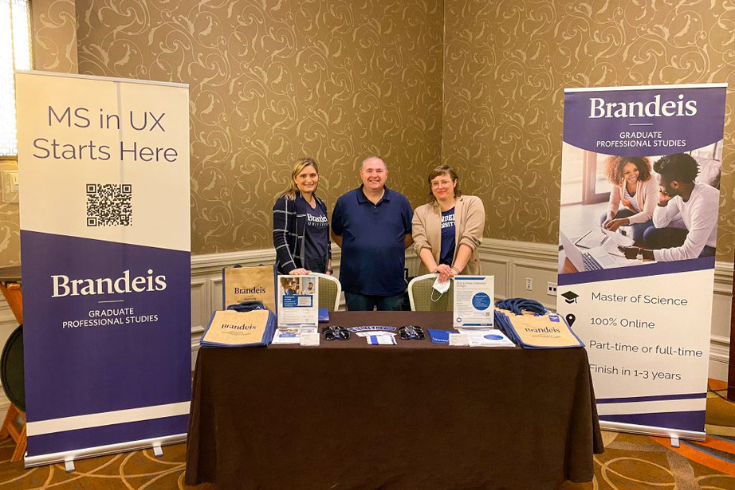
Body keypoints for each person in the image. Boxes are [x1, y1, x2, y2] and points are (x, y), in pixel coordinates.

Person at [331, 155, 413, 311]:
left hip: (391, 283)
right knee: (358, 331)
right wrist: (354, 247)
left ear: (386, 174)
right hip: (357, 284)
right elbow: (335, 233)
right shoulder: (345, 202)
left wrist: (393, 248)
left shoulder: (401, 202)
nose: (374, 175)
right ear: (361, 174)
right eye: (369, 171)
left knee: (391, 331)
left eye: (379, 171)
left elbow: (411, 233)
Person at [619, 153, 718, 262]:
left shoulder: (704, 203)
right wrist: (662, 203)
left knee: (683, 261)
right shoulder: (682, 191)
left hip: (713, 249)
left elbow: (689, 253)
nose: (659, 189)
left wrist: (642, 253)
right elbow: (659, 224)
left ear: (675, 184)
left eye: (661, 185)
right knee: (651, 233)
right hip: (699, 238)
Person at [412, 165, 485, 283]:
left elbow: (470, 239)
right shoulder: (420, 212)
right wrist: (434, 269)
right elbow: (421, 244)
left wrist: (455, 270)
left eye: (444, 182)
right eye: (435, 183)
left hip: (465, 276)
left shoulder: (472, 203)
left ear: (454, 182)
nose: (440, 187)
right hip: (433, 277)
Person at [272, 157, 332, 276]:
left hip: (320, 273)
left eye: (313, 175)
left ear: (318, 177)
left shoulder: (321, 204)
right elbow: (280, 238)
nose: (309, 180)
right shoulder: (286, 201)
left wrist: (328, 267)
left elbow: (326, 240)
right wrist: (292, 268)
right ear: (295, 179)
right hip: (297, 274)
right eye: (303, 176)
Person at [600, 156, 658, 243]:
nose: (633, 175)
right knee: (605, 219)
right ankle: (612, 245)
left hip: (653, 217)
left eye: (635, 169)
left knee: (637, 233)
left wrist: (622, 221)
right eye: (627, 172)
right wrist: (610, 217)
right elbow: (614, 203)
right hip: (636, 212)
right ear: (619, 173)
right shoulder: (619, 181)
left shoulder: (651, 180)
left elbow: (648, 213)